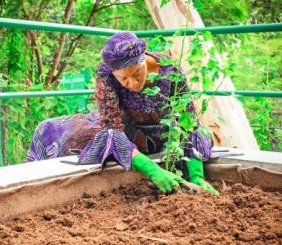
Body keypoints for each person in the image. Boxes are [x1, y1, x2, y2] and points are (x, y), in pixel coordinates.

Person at [27, 32, 219, 195]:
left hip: (161, 131)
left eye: (137, 73)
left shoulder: (170, 68)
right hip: (125, 131)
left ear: (144, 58)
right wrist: (151, 170)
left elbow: (189, 122)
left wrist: (197, 176)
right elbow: (112, 129)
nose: (133, 83)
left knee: (201, 132)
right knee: (51, 128)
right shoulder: (105, 73)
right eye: (123, 79)